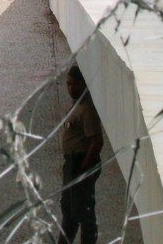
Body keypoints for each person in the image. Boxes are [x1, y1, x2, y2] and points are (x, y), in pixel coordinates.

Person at [58, 65, 103, 244]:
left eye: (75, 84)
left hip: (80, 163)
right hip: (72, 163)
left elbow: (97, 141)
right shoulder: (77, 105)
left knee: (83, 211)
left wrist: (83, 167)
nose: (71, 88)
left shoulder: (87, 108)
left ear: (84, 84)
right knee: (69, 208)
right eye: (68, 84)